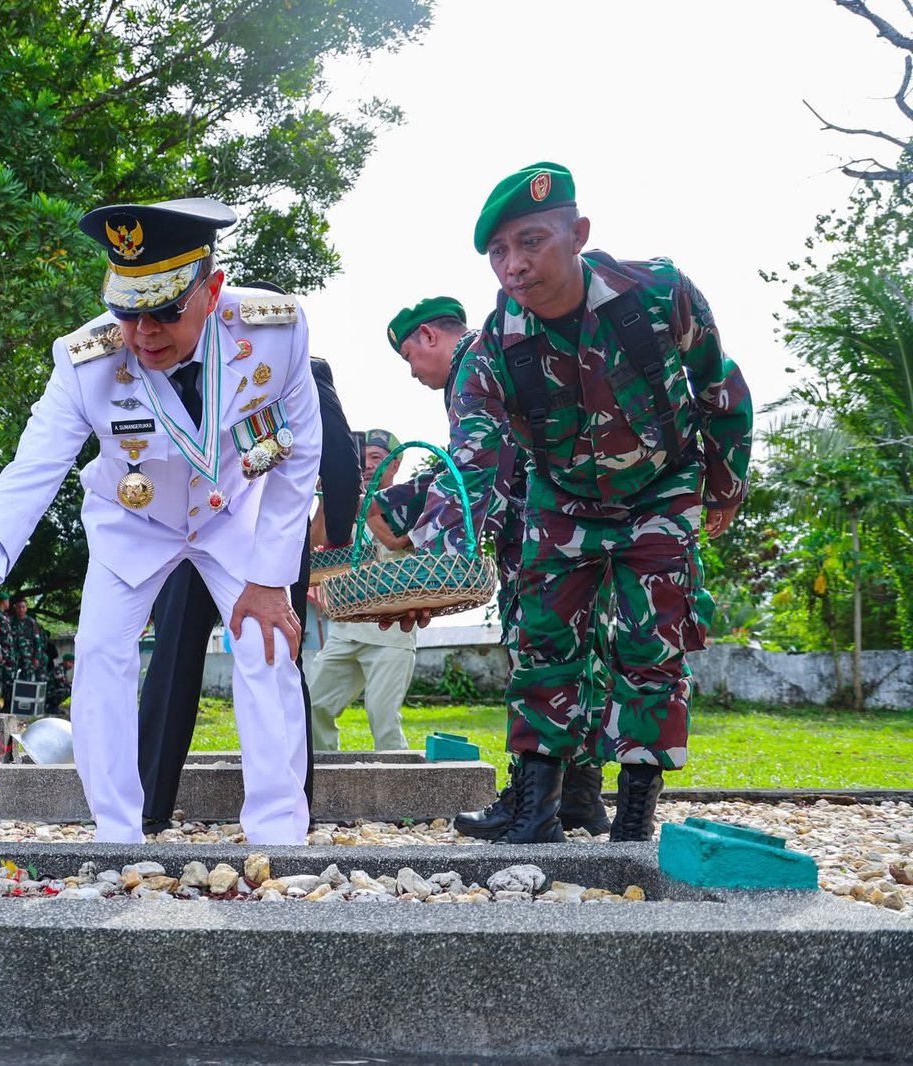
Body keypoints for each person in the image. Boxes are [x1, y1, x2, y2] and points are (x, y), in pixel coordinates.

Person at [396, 163, 753, 843]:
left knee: (653, 646)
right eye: (499, 252)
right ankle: (537, 813)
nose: (514, 265)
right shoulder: (492, 348)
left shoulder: (657, 293)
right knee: (543, 643)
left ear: (578, 234)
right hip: (559, 502)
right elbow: (472, 458)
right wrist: (437, 564)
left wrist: (725, 486)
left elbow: (720, 387)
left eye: (531, 241)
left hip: (661, 489)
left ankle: (635, 818)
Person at [0, 197, 322, 845]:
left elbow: (300, 454)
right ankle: (117, 834)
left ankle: (278, 834)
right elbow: (33, 468)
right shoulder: (85, 360)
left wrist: (270, 578)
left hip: (231, 511)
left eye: (164, 309)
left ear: (212, 289)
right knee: (99, 655)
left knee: (266, 646)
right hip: (135, 520)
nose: (143, 330)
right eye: (127, 309)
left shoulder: (275, 330)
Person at [379, 296, 609, 838]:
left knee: (538, 657)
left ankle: (536, 806)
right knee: (576, 656)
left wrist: (436, 571)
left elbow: (475, 467)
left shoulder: (472, 368)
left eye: (410, 355)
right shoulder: (509, 352)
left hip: (540, 537)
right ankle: (578, 797)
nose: (413, 372)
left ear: (433, 336)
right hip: (584, 523)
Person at [138, 328, 360, 833]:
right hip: (265, 533)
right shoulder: (305, 365)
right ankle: (291, 805)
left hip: (193, 524)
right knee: (279, 651)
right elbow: (341, 461)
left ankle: (150, 803)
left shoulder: (183, 367)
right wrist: (339, 533)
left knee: (173, 657)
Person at [304, 430, 417, 752]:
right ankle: (326, 780)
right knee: (314, 706)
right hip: (347, 630)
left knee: (382, 716)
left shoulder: (409, 501)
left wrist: (358, 498)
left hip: (391, 633)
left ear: (395, 464)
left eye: (377, 458)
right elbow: (312, 549)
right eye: (361, 458)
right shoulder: (346, 502)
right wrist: (328, 499)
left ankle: (402, 794)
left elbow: (396, 541)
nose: (367, 466)